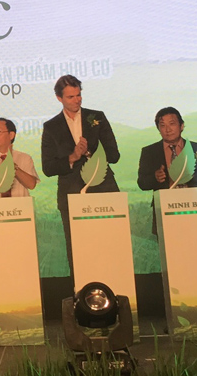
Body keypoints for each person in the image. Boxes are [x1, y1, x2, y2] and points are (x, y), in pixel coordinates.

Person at [41, 75, 120, 274]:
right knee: (78, 250)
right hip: (72, 194)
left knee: (112, 244)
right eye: (71, 97)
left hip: (104, 189)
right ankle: (81, 289)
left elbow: (114, 155)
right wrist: (73, 156)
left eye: (78, 95)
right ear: (59, 98)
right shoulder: (51, 127)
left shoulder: (96, 117)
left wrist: (90, 153)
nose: (77, 100)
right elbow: (48, 168)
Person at [137, 106, 197, 235]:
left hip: (195, 209)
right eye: (162, 126)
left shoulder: (196, 148)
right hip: (165, 212)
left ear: (181, 126)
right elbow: (142, 183)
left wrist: (190, 175)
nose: (168, 129)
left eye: (172, 124)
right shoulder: (149, 151)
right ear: (158, 129)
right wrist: (155, 177)